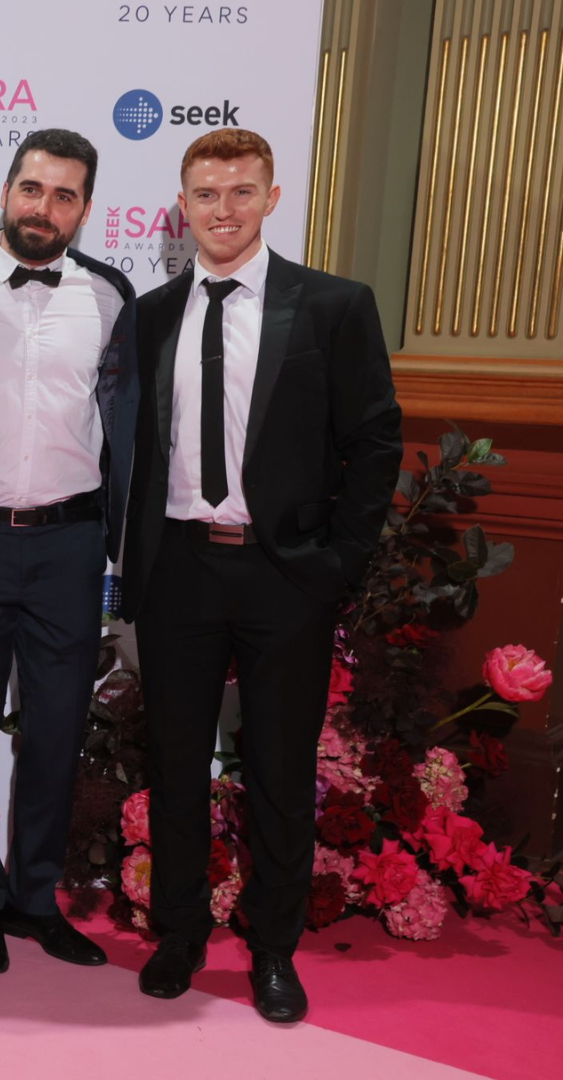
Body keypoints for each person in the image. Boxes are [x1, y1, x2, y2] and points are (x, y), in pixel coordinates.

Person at [123, 129, 401, 1023]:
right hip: (180, 573)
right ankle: (178, 935)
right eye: (206, 195)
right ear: (183, 205)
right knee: (173, 763)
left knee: (280, 771)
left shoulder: (332, 306)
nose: (224, 210)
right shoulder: (154, 313)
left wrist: (340, 568)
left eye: (241, 192)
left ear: (273, 197)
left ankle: (275, 950)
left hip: (287, 577)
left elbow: (374, 443)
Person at [0, 129, 137, 975]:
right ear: (4, 189)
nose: (44, 207)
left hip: (70, 544)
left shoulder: (109, 295)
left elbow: (130, 433)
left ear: (85, 209)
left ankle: (36, 899)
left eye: (65, 196)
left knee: (57, 732)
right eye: (32, 189)